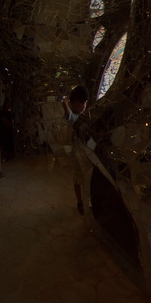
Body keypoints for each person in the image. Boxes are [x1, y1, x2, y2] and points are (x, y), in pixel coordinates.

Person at [62, 85, 89, 214]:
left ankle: (85, 201)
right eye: (81, 103)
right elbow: (66, 110)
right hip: (78, 153)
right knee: (78, 179)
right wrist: (66, 100)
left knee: (85, 179)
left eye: (85, 103)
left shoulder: (85, 115)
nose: (84, 106)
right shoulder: (73, 116)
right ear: (74, 103)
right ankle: (80, 202)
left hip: (87, 152)